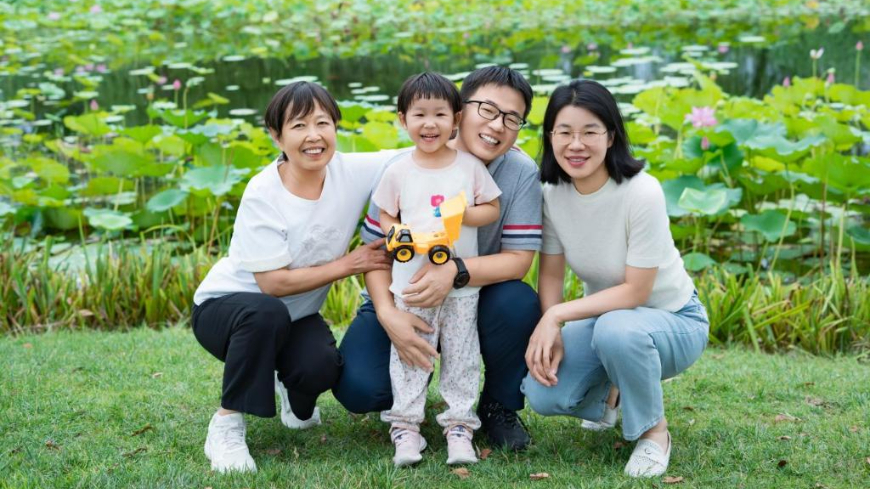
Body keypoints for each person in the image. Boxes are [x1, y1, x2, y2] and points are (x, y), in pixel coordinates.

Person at [333, 66, 543, 451]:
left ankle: (497, 406)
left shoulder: (520, 172)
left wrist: (454, 271)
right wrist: (388, 314)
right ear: (462, 110)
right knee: (361, 389)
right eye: (488, 110)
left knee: (518, 302)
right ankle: (408, 404)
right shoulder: (404, 166)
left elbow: (518, 261)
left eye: (511, 118)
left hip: (473, 296)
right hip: (404, 294)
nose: (497, 126)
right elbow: (377, 254)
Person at [191, 81, 391, 473]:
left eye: (322, 123)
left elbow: (418, 151)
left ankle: (292, 393)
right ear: (276, 136)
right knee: (266, 312)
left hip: (295, 317)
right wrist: (349, 264)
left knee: (321, 365)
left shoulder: (351, 171)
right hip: (226, 312)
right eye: (299, 126)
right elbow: (273, 285)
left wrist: (481, 149)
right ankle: (226, 425)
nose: (314, 136)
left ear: (335, 127)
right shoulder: (263, 192)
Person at [520, 79, 710, 477]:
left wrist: (556, 316)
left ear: (611, 137)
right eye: (564, 132)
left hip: (674, 321)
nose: (576, 144)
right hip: (608, 322)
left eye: (590, 132)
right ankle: (613, 395)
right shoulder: (552, 193)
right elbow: (550, 276)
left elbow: (637, 291)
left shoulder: (642, 192)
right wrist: (552, 326)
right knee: (543, 394)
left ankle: (654, 433)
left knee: (618, 330)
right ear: (550, 137)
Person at [372, 72, 502, 466]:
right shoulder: (398, 170)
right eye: (420, 115)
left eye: (440, 114)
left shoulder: (469, 167)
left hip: (460, 288)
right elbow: (385, 214)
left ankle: (459, 426)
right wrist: (396, 233)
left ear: (456, 119)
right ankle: (405, 427)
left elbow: (491, 209)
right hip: (410, 282)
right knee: (410, 356)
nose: (430, 124)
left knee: (462, 355)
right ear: (402, 119)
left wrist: (461, 213)